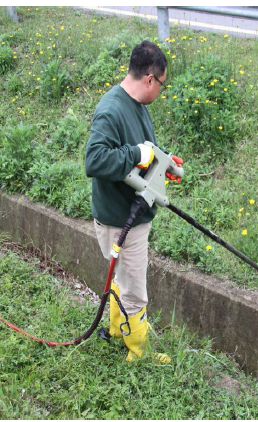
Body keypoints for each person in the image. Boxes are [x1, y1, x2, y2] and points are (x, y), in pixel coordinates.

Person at [85, 40, 181, 363]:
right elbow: (95, 160)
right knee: (135, 289)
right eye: (162, 85)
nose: (160, 92)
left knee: (122, 279)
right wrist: (137, 154)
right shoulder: (111, 109)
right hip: (121, 220)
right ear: (150, 79)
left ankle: (115, 327)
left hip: (129, 214)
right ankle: (138, 351)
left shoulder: (136, 105)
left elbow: (141, 150)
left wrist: (160, 164)